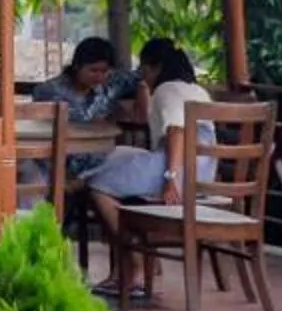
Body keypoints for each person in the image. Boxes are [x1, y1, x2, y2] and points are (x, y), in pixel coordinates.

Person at [81, 46, 214, 205]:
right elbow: (144, 117)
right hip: (204, 173)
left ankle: (125, 230)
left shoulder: (166, 90)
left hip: (179, 172)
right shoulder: (198, 91)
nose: (142, 76)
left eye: (143, 70)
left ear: (157, 68)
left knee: (98, 183)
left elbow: (177, 131)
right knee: (119, 154)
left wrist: (171, 179)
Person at [33, 36, 139, 181]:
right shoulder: (50, 91)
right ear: (77, 66)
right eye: (93, 70)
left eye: (104, 71)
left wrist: (144, 90)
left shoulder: (111, 84)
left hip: (98, 164)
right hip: (58, 163)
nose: (99, 76)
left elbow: (143, 76)